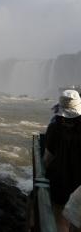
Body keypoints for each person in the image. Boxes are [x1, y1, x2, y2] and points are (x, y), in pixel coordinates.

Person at [44, 89, 81, 232]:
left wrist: (40, 176)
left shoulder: (55, 127)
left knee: (59, 216)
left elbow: (48, 157)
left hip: (59, 178)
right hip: (78, 182)